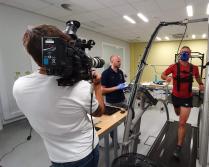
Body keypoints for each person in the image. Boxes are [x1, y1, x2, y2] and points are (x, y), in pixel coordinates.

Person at [13, 24, 105, 167]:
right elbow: (99, 112)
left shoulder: (19, 86)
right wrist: (97, 85)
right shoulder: (80, 88)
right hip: (84, 154)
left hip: (55, 157)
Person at [161, 46, 204, 160]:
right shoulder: (174, 66)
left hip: (187, 98)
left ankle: (178, 147)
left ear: (190, 55)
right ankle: (178, 110)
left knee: (182, 123)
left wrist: (201, 83)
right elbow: (162, 74)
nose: (185, 54)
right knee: (177, 113)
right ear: (180, 54)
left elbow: (198, 77)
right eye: (183, 52)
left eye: (188, 53)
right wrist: (166, 78)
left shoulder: (194, 68)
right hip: (175, 97)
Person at [101, 55, 128, 144]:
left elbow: (123, 84)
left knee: (129, 116)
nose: (120, 63)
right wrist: (117, 87)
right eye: (118, 61)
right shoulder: (106, 73)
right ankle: (114, 141)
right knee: (113, 124)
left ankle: (128, 134)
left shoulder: (120, 72)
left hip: (122, 100)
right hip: (112, 102)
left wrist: (125, 87)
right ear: (112, 62)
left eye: (120, 61)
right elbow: (102, 90)